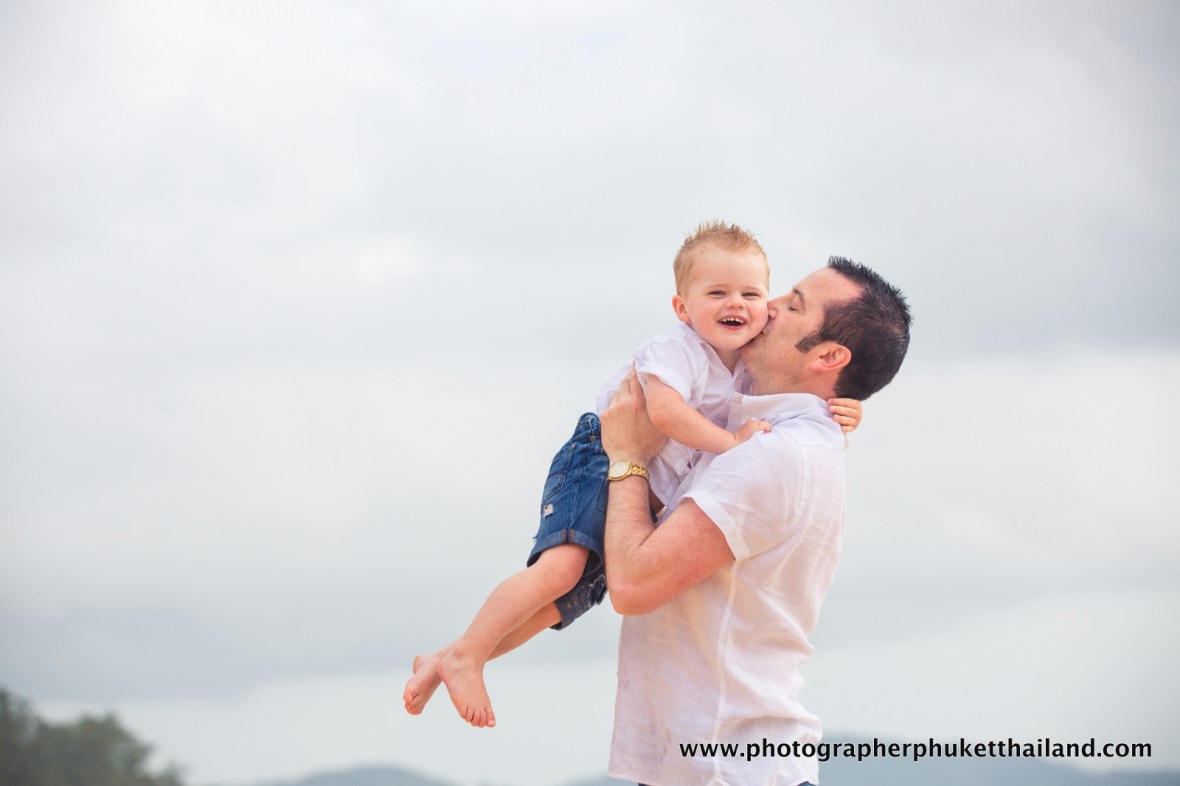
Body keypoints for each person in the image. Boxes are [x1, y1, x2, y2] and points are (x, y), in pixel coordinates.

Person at [402, 223, 863, 730]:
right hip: (599, 456)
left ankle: (450, 657)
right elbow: (663, 414)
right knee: (557, 572)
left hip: (639, 486)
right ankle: (467, 657)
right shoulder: (678, 350)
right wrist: (731, 445)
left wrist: (842, 409)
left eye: (752, 293)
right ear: (682, 309)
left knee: (558, 603)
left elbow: (796, 386)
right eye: (717, 293)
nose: (741, 303)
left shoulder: (748, 364)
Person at [599, 256, 911, 786]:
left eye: (793, 305)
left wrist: (626, 456)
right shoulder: (782, 438)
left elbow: (631, 584)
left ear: (830, 355)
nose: (765, 307)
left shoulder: (774, 454)